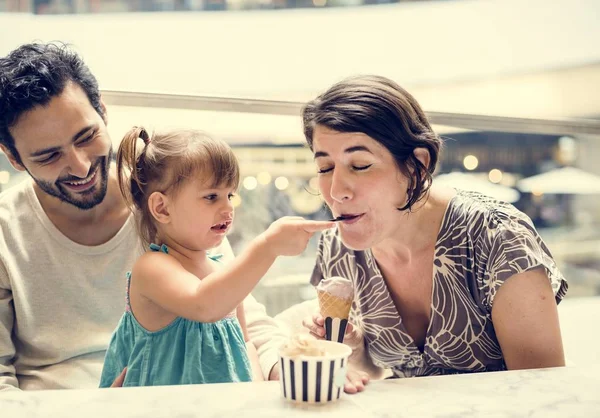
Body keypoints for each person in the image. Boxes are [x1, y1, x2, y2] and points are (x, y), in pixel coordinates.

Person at [0, 42, 286, 390]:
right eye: (48, 156)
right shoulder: (6, 232)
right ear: (13, 158)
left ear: (103, 112)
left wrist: (289, 372)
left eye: (86, 136)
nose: (80, 165)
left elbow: (241, 316)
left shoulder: (174, 203)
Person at [301, 75, 568, 379]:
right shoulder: (337, 248)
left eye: (360, 165)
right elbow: (376, 374)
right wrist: (355, 347)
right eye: (325, 168)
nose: (336, 190)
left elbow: (543, 389)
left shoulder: (498, 237)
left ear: (417, 164)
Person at [99, 126, 333, 387]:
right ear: (162, 208)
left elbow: (245, 345)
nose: (228, 207)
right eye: (211, 197)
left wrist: (257, 393)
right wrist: (268, 246)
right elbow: (203, 304)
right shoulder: (152, 268)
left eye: (229, 195)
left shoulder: (224, 274)